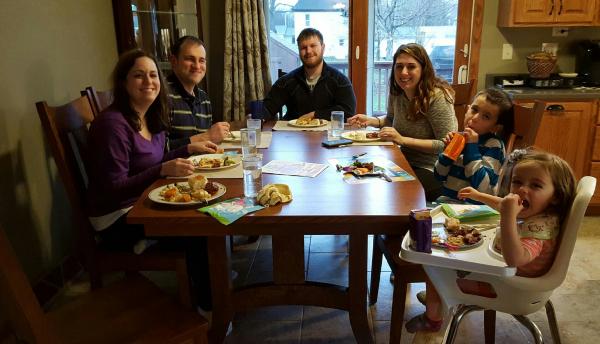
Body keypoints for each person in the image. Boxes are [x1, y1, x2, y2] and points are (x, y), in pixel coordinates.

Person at [86, 49, 218, 310]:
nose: (148, 82)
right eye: (138, 75)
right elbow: (113, 189)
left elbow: (155, 160)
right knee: (199, 228)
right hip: (117, 218)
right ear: (123, 82)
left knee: (207, 209)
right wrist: (161, 171)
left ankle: (211, 276)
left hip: (141, 203)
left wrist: (188, 150)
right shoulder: (112, 125)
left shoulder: (150, 115)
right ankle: (209, 306)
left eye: (153, 75)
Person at [406, 149, 576, 333]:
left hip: (510, 288)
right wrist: (478, 196)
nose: (522, 189)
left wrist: (508, 217)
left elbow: (516, 260)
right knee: (449, 259)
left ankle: (433, 317)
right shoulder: (542, 212)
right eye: (517, 181)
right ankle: (438, 298)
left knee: (435, 269)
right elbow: (504, 205)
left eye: (535, 185)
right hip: (509, 278)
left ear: (556, 195)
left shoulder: (538, 230)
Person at [348, 43, 457, 201]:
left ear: (423, 69)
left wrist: (402, 140)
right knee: (357, 173)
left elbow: (446, 146)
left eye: (411, 67)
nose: (404, 72)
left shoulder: (437, 97)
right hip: (403, 161)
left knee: (384, 192)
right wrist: (370, 120)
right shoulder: (397, 92)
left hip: (433, 170)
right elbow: (391, 119)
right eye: (399, 67)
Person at [433, 88, 514, 202]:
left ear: (495, 127)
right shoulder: (460, 137)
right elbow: (439, 175)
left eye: (486, 117)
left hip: (473, 209)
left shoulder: (494, 145)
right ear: (467, 109)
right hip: (447, 202)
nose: (475, 118)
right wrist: (448, 153)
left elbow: (483, 188)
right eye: (474, 110)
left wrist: (471, 147)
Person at [262, 28, 356, 121]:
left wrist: (315, 115)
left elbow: (348, 112)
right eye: (303, 48)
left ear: (323, 48)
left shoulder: (340, 80)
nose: (308, 51)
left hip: (327, 134)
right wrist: (253, 113)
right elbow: (268, 108)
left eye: (313, 46)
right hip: (293, 134)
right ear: (299, 51)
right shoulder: (287, 81)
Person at [167, 35, 230, 149]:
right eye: (190, 59)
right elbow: (157, 151)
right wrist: (206, 137)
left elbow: (209, 143)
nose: (197, 66)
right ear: (174, 61)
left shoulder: (204, 98)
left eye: (201, 61)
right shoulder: (162, 96)